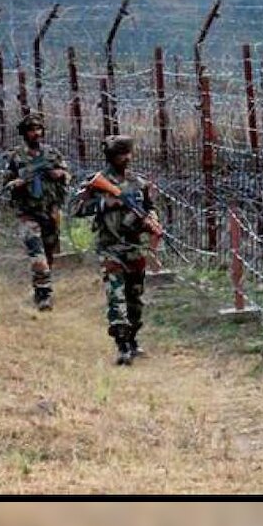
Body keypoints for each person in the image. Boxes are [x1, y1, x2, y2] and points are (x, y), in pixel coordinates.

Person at [71, 135, 160, 366]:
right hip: (110, 248)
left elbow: (149, 208)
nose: (127, 158)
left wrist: (151, 222)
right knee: (116, 297)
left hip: (134, 248)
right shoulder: (97, 182)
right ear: (111, 156)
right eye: (122, 154)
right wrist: (104, 204)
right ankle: (122, 346)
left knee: (135, 299)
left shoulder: (138, 183)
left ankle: (132, 340)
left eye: (128, 153)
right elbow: (76, 208)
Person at [4, 114, 71, 312]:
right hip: (28, 213)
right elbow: (5, 185)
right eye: (32, 130)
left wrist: (59, 175)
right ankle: (44, 295)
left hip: (50, 211)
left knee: (49, 255)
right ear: (24, 133)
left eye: (39, 129)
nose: (36, 133)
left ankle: (41, 287)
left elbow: (67, 176)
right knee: (37, 254)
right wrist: (18, 183)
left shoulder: (52, 154)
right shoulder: (16, 157)